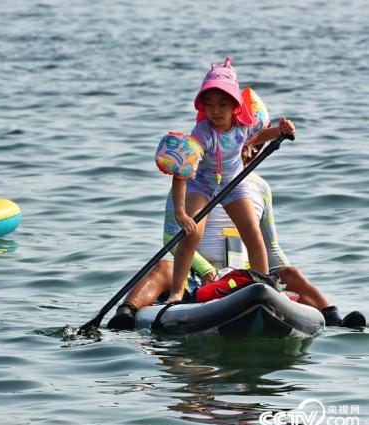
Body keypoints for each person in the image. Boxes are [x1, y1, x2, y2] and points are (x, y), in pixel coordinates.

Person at [107, 142, 366, 329]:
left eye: (251, 144)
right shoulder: (193, 182)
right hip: (198, 278)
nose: (246, 150)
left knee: (290, 272)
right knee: (164, 267)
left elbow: (271, 246)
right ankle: (126, 313)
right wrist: (206, 269)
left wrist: (277, 278)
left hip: (244, 279)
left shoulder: (261, 188)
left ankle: (334, 318)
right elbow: (171, 236)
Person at [168, 56, 296, 304]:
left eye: (223, 104)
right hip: (202, 186)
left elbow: (256, 138)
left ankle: (263, 283)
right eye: (210, 104)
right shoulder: (201, 133)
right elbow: (181, 173)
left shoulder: (242, 125)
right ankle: (176, 292)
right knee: (191, 234)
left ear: (235, 105)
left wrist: (281, 131)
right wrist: (181, 213)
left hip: (233, 185)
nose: (215, 111)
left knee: (252, 231)